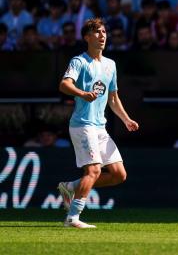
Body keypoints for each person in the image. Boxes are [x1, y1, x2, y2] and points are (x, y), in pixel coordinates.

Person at [57, 18, 140, 228]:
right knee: (93, 171)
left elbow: (113, 98)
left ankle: (71, 186)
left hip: (99, 127)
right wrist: (83, 93)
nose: (102, 36)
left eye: (103, 32)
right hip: (82, 125)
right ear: (87, 37)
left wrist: (126, 119)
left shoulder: (110, 65)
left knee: (118, 175)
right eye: (97, 32)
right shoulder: (79, 61)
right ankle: (72, 218)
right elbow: (64, 85)